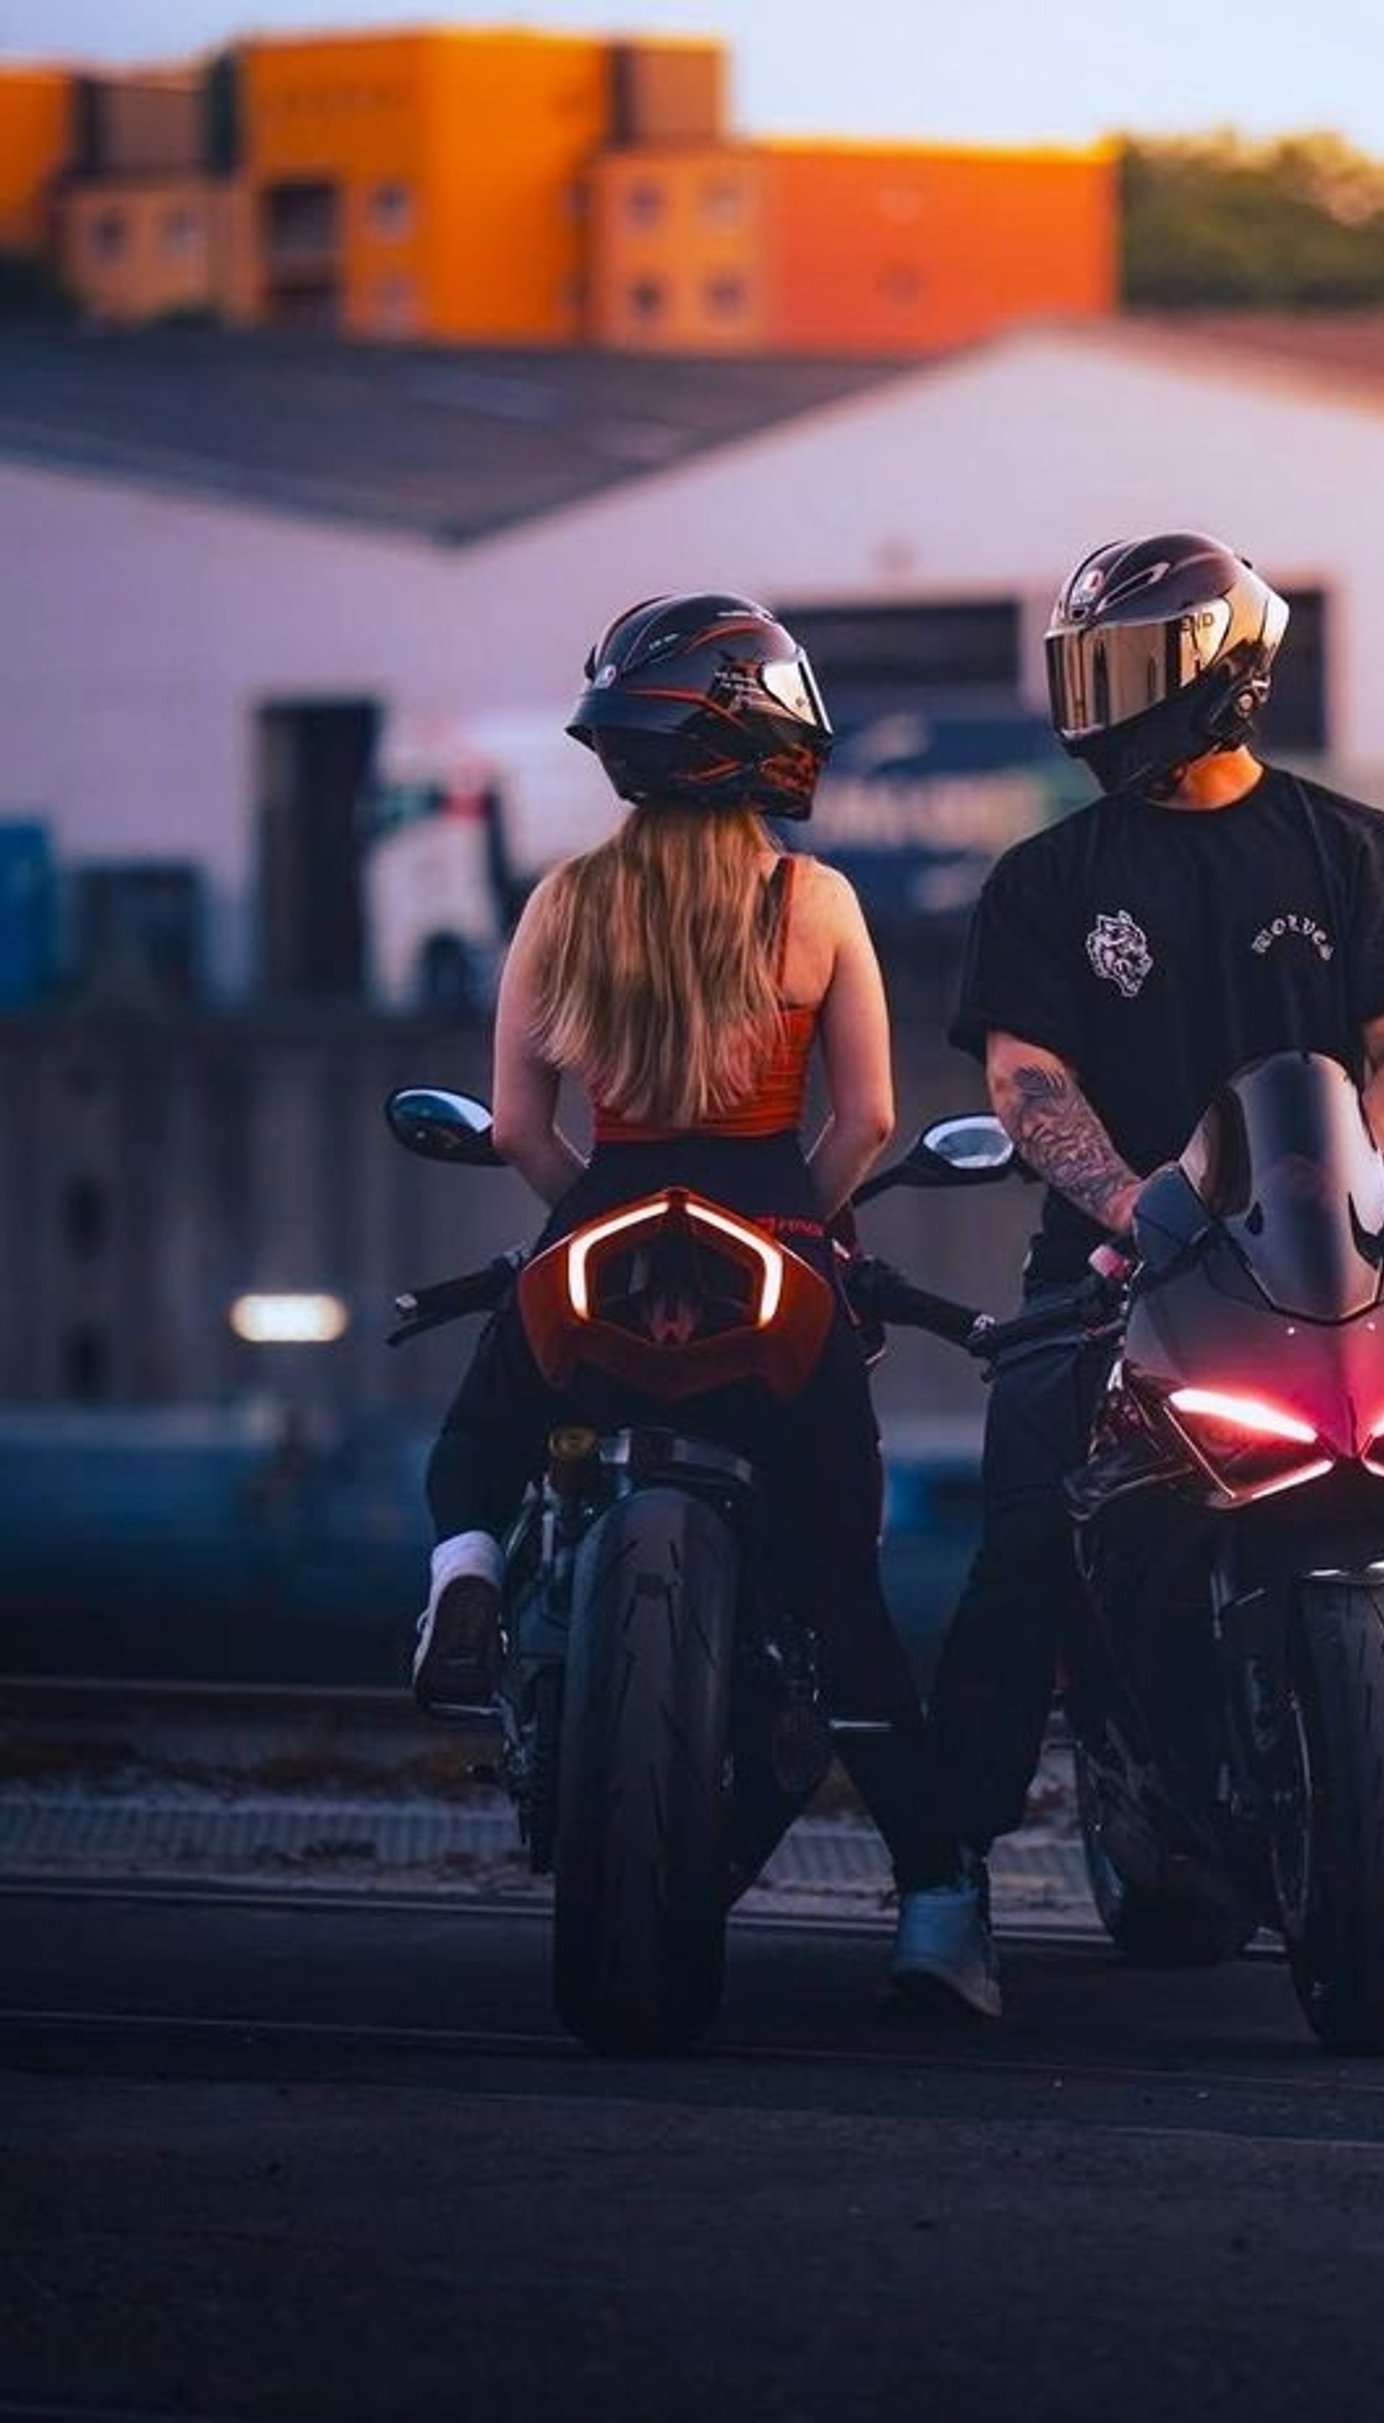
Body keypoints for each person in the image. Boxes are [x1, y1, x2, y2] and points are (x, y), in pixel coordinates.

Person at [911, 530, 1384, 2017]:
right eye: (1082, 671)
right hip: (1114, 1269)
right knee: (1027, 1542)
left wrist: (1348, 1172)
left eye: (1126, 671)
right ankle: (943, 1881)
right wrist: (1128, 1202)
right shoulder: (1049, 879)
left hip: (1341, 1263)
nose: (1096, 703)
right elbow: (1029, 1077)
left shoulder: (1361, 855)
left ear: (1222, 669)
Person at [411, 590, 981, 1996]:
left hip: (607, 1215)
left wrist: (589, 1216)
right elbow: (864, 1119)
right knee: (845, 1592)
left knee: (486, 1434)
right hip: (774, 1232)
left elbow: (520, 1126)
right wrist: (810, 1224)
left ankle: (466, 1575)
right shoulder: (814, 903)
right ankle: (934, 1909)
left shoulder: (565, 900)